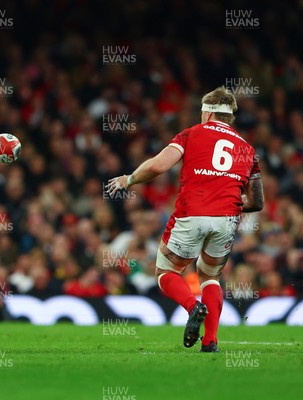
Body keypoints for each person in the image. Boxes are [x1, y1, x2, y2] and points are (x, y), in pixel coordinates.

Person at [107, 87, 264, 352]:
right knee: (210, 277)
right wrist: (231, 206)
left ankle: (193, 307)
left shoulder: (192, 133)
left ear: (210, 112)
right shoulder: (247, 149)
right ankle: (210, 341)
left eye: (203, 111)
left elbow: (159, 165)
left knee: (165, 272)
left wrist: (129, 179)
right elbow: (257, 202)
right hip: (226, 219)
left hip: (192, 213)